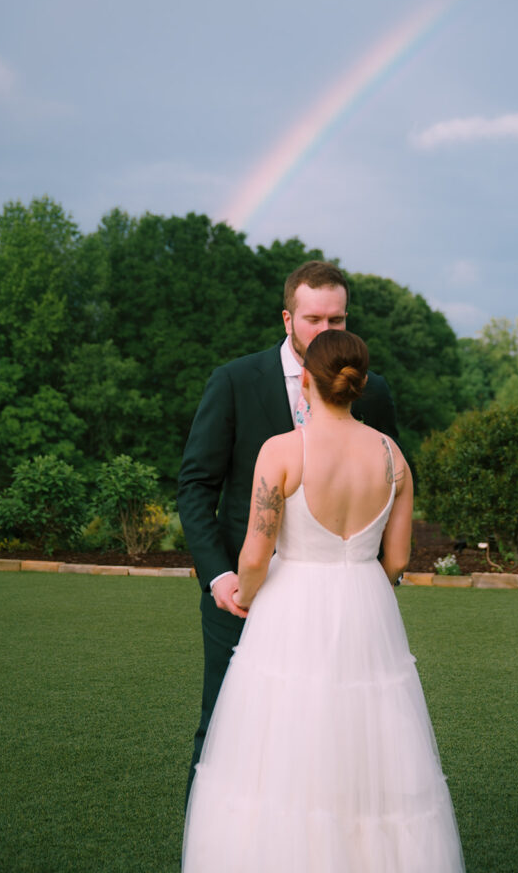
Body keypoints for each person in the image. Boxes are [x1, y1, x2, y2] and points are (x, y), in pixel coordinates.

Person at [182, 330, 465, 872]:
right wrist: (357, 581)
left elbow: (256, 555)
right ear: (357, 386)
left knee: (283, 736)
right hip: (365, 602)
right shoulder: (392, 455)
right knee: (368, 740)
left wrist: (244, 591)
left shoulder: (283, 451)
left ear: (307, 379)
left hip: (292, 605)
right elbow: (400, 559)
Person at [177, 261, 399, 802]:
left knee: (341, 736)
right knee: (224, 729)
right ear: (287, 318)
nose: (327, 332)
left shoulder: (373, 391)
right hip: (241, 598)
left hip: (339, 609)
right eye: (314, 319)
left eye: (338, 320)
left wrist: (360, 586)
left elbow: (387, 489)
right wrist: (221, 577)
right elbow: (196, 486)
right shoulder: (233, 380)